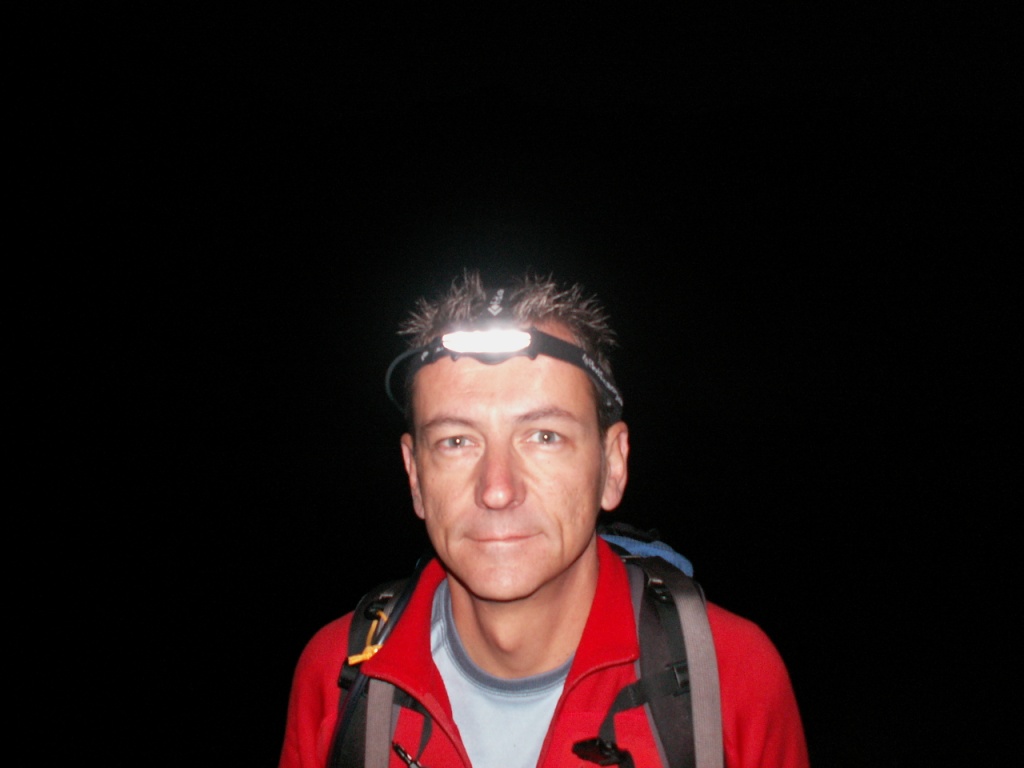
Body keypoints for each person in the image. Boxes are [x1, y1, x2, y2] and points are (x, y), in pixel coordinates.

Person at [278, 269, 809, 768]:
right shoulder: (340, 677)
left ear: (612, 466)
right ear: (415, 476)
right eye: (456, 441)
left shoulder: (732, 676)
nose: (497, 489)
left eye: (544, 436)